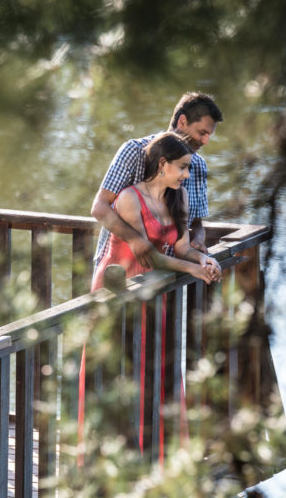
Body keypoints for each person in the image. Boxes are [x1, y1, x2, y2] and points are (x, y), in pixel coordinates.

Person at [78, 132, 221, 463]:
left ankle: (149, 450)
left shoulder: (178, 198)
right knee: (116, 368)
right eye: (183, 168)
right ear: (163, 164)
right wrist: (192, 271)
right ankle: (106, 453)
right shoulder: (129, 199)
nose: (187, 175)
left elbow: (182, 246)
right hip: (119, 287)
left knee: (148, 366)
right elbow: (152, 258)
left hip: (149, 291)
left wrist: (203, 260)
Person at [91, 92, 223, 275]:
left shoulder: (199, 166)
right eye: (202, 132)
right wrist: (136, 240)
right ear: (182, 122)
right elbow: (100, 207)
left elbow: (197, 222)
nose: (206, 141)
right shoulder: (134, 152)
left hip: (169, 275)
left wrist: (199, 241)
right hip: (120, 274)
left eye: (209, 135)